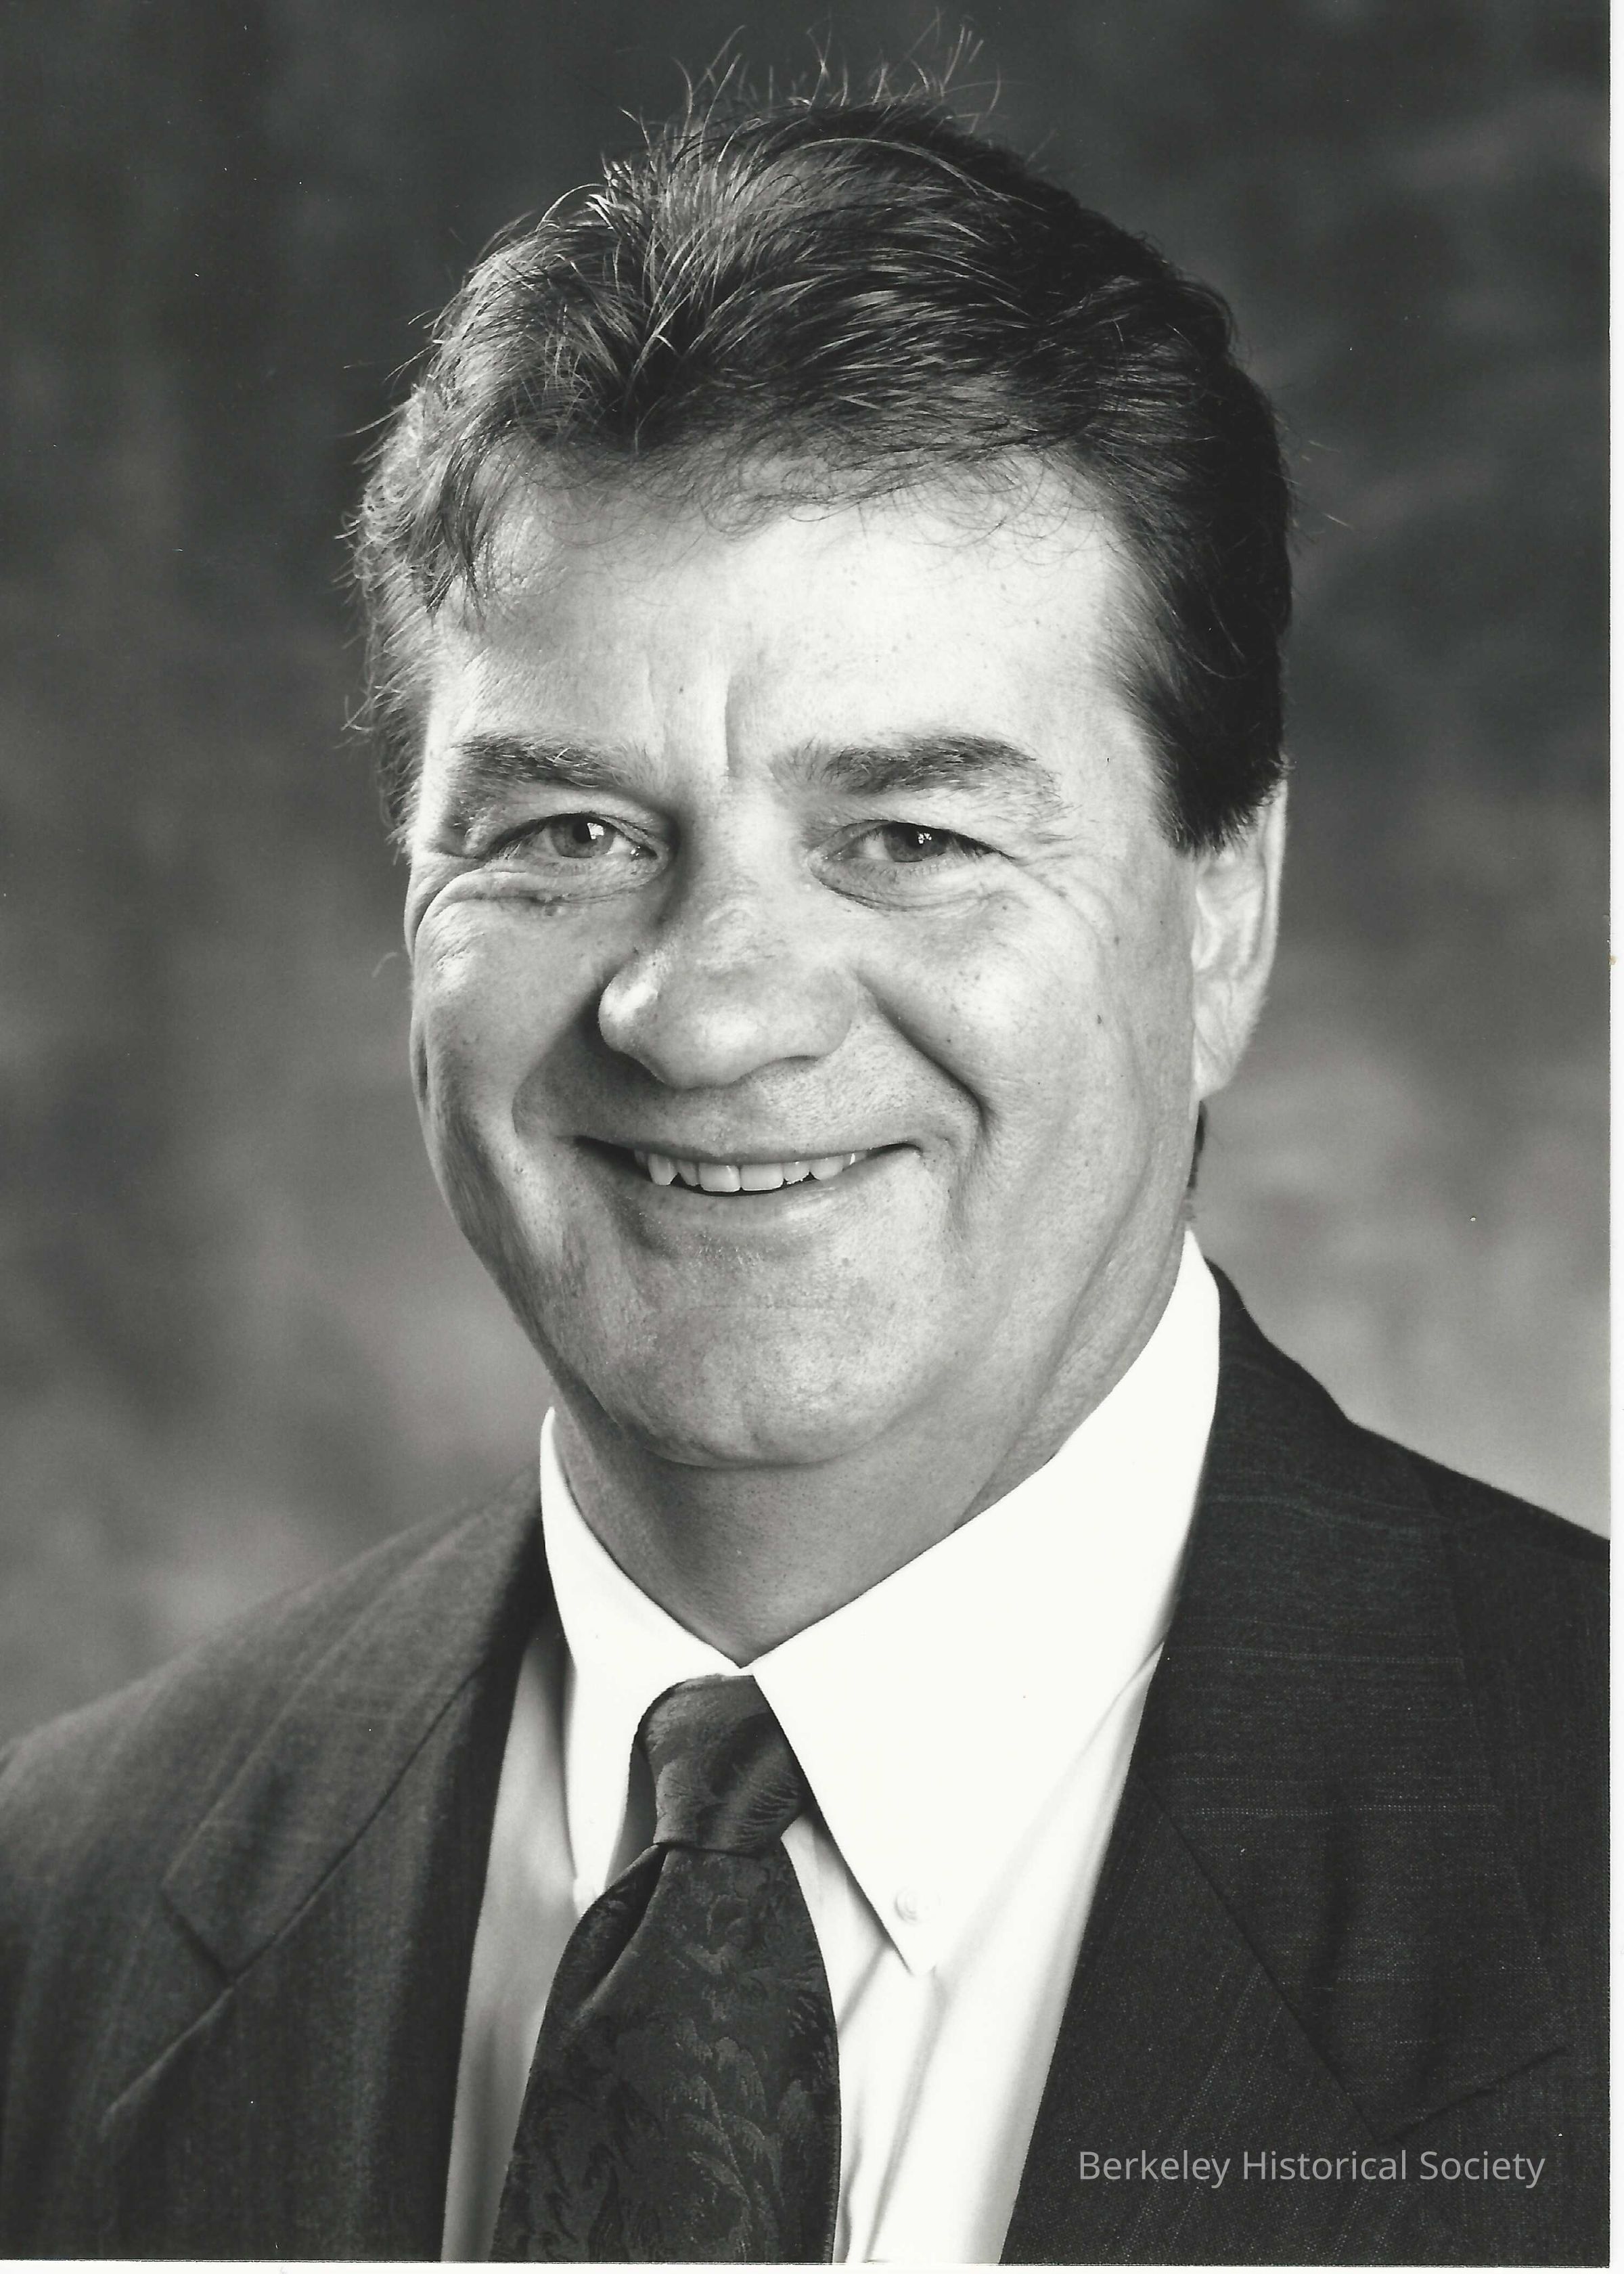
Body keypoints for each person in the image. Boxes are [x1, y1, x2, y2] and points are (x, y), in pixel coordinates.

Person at [0, 86, 1604, 2267]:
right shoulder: (59, 1910)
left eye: (911, 836)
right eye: (569, 833)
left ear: (1221, 913)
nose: (705, 1013)